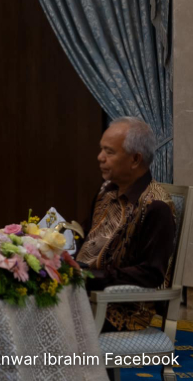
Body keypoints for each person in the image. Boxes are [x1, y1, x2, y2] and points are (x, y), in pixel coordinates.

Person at [75, 117, 176, 331]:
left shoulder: (156, 206)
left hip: (120, 310)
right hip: (83, 293)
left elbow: (150, 274)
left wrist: (89, 277)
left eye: (109, 152)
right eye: (102, 149)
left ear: (135, 159)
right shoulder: (106, 190)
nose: (100, 157)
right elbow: (86, 237)